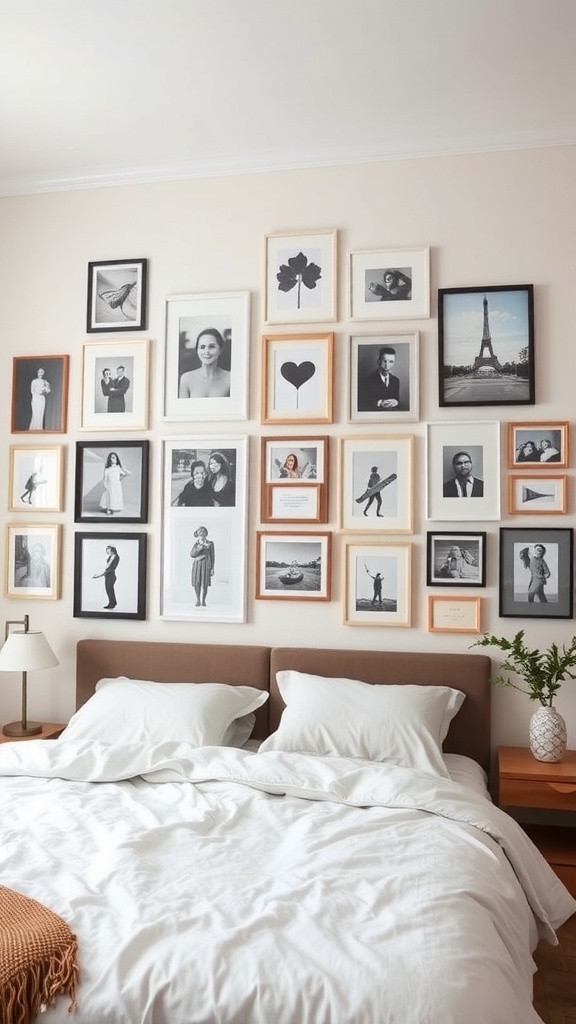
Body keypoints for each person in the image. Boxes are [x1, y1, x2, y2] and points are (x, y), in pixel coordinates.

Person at [178, 328, 231, 399]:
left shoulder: (230, 378)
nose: (206, 352)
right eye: (202, 347)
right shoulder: (186, 379)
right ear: (197, 350)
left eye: (211, 346)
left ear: (220, 350)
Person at [358, 346, 400, 411]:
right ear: (378, 361)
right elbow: (362, 402)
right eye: (384, 361)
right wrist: (380, 403)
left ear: (394, 363)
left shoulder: (396, 381)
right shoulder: (367, 380)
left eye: (391, 362)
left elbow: (397, 399)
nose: (387, 366)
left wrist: (395, 402)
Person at [99, 451, 131, 515]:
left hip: (117, 485)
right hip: (110, 484)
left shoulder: (118, 468)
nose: (112, 459)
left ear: (116, 459)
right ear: (109, 459)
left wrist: (122, 470)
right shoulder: (107, 469)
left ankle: (113, 508)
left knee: (115, 497)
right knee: (109, 496)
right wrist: (105, 485)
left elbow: (128, 473)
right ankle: (108, 508)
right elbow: (105, 478)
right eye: (111, 457)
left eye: (114, 457)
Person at [190, 526, 215, 607]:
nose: (201, 535)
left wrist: (212, 568)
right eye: (200, 533)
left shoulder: (210, 544)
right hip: (197, 565)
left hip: (206, 564)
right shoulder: (196, 544)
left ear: (206, 534)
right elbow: (192, 555)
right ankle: (198, 600)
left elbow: (212, 556)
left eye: (203, 533)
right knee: (196, 583)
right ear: (198, 535)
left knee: (205, 583)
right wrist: (199, 549)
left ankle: (203, 601)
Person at [93, 545, 120, 609]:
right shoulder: (112, 556)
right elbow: (107, 567)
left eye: (108, 551)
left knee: (109, 590)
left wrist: (99, 575)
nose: (107, 552)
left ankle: (111, 604)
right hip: (109, 575)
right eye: (106, 551)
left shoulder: (115, 557)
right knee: (109, 590)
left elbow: (109, 568)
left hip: (110, 576)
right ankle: (113, 602)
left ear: (112, 551)